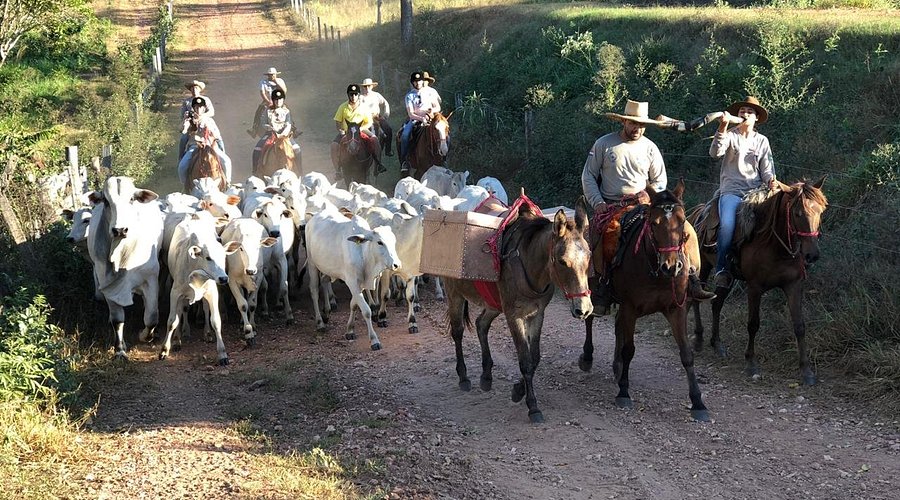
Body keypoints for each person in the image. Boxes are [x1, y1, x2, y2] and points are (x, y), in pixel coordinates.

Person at [582, 99, 715, 314]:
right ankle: (602, 286)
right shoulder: (604, 144)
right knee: (604, 235)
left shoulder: (650, 148)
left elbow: (660, 180)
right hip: (612, 205)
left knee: (684, 229)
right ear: (624, 122)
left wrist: (650, 193)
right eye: (633, 124)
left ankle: (692, 279)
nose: (637, 128)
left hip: (645, 203)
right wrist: (597, 202)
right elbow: (588, 175)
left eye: (642, 125)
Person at [709, 96, 776, 291]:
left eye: (749, 112)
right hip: (731, 191)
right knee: (728, 224)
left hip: (756, 193)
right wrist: (722, 127)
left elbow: (767, 169)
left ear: (756, 118)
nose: (745, 114)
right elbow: (715, 153)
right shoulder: (730, 135)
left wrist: (771, 180)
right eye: (741, 112)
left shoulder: (762, 141)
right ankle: (722, 269)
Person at [329, 84, 385, 180]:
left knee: (375, 140)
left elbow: (369, 122)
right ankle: (338, 170)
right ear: (348, 95)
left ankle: (378, 164)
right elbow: (338, 122)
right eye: (351, 94)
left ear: (358, 95)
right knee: (334, 145)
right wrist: (341, 130)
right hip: (347, 132)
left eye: (355, 94)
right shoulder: (343, 107)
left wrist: (361, 129)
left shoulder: (364, 107)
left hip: (362, 129)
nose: (353, 96)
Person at [178, 97, 232, 185]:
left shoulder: (210, 121)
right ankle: (185, 186)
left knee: (226, 161)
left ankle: (227, 183)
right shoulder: (189, 120)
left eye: (200, 107)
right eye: (196, 107)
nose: (198, 109)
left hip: (210, 147)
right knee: (182, 166)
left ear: (204, 109)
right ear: (194, 108)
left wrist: (216, 144)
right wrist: (185, 120)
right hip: (194, 147)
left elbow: (218, 136)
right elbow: (182, 130)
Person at [398, 71, 441, 175]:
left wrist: (432, 112)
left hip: (431, 117)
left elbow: (437, 107)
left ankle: (443, 156)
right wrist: (421, 119)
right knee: (405, 135)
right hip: (415, 119)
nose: (418, 83)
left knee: (443, 131)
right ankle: (405, 161)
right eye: (415, 81)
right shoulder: (409, 96)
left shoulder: (430, 92)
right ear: (412, 83)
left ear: (423, 81)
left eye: (419, 81)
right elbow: (411, 113)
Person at [252, 88, 302, 170]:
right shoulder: (267, 111)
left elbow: (288, 124)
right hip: (270, 134)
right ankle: (255, 170)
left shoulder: (286, 111)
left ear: (283, 100)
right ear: (273, 100)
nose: (278, 101)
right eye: (276, 99)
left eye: (280, 99)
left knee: (297, 149)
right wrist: (270, 128)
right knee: (257, 149)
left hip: (284, 135)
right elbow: (263, 123)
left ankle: (300, 171)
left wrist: (283, 134)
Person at [179, 80, 215, 159]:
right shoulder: (187, 102)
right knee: (183, 138)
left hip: (205, 120)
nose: (194, 90)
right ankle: (181, 158)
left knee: (217, 136)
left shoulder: (206, 99)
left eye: (196, 88)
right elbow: (182, 115)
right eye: (192, 89)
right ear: (190, 90)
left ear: (199, 89)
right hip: (191, 124)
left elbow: (211, 112)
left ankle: (222, 152)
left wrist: (202, 116)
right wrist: (187, 117)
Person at [247, 67, 287, 138]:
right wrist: (268, 102)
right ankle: (254, 129)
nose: (271, 76)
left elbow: (284, 91)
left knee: (287, 112)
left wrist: (276, 83)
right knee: (258, 112)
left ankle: (294, 129)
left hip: (279, 101)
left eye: (273, 74)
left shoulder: (280, 81)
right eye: (270, 75)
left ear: (276, 75)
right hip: (267, 100)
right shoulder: (263, 82)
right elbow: (262, 93)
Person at [359, 78, 393, 157]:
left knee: (388, 130)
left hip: (377, 117)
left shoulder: (376, 95)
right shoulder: (360, 97)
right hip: (365, 119)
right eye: (365, 86)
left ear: (372, 86)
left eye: (368, 86)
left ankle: (388, 150)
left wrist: (386, 115)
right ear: (363, 87)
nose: (367, 88)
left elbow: (385, 103)